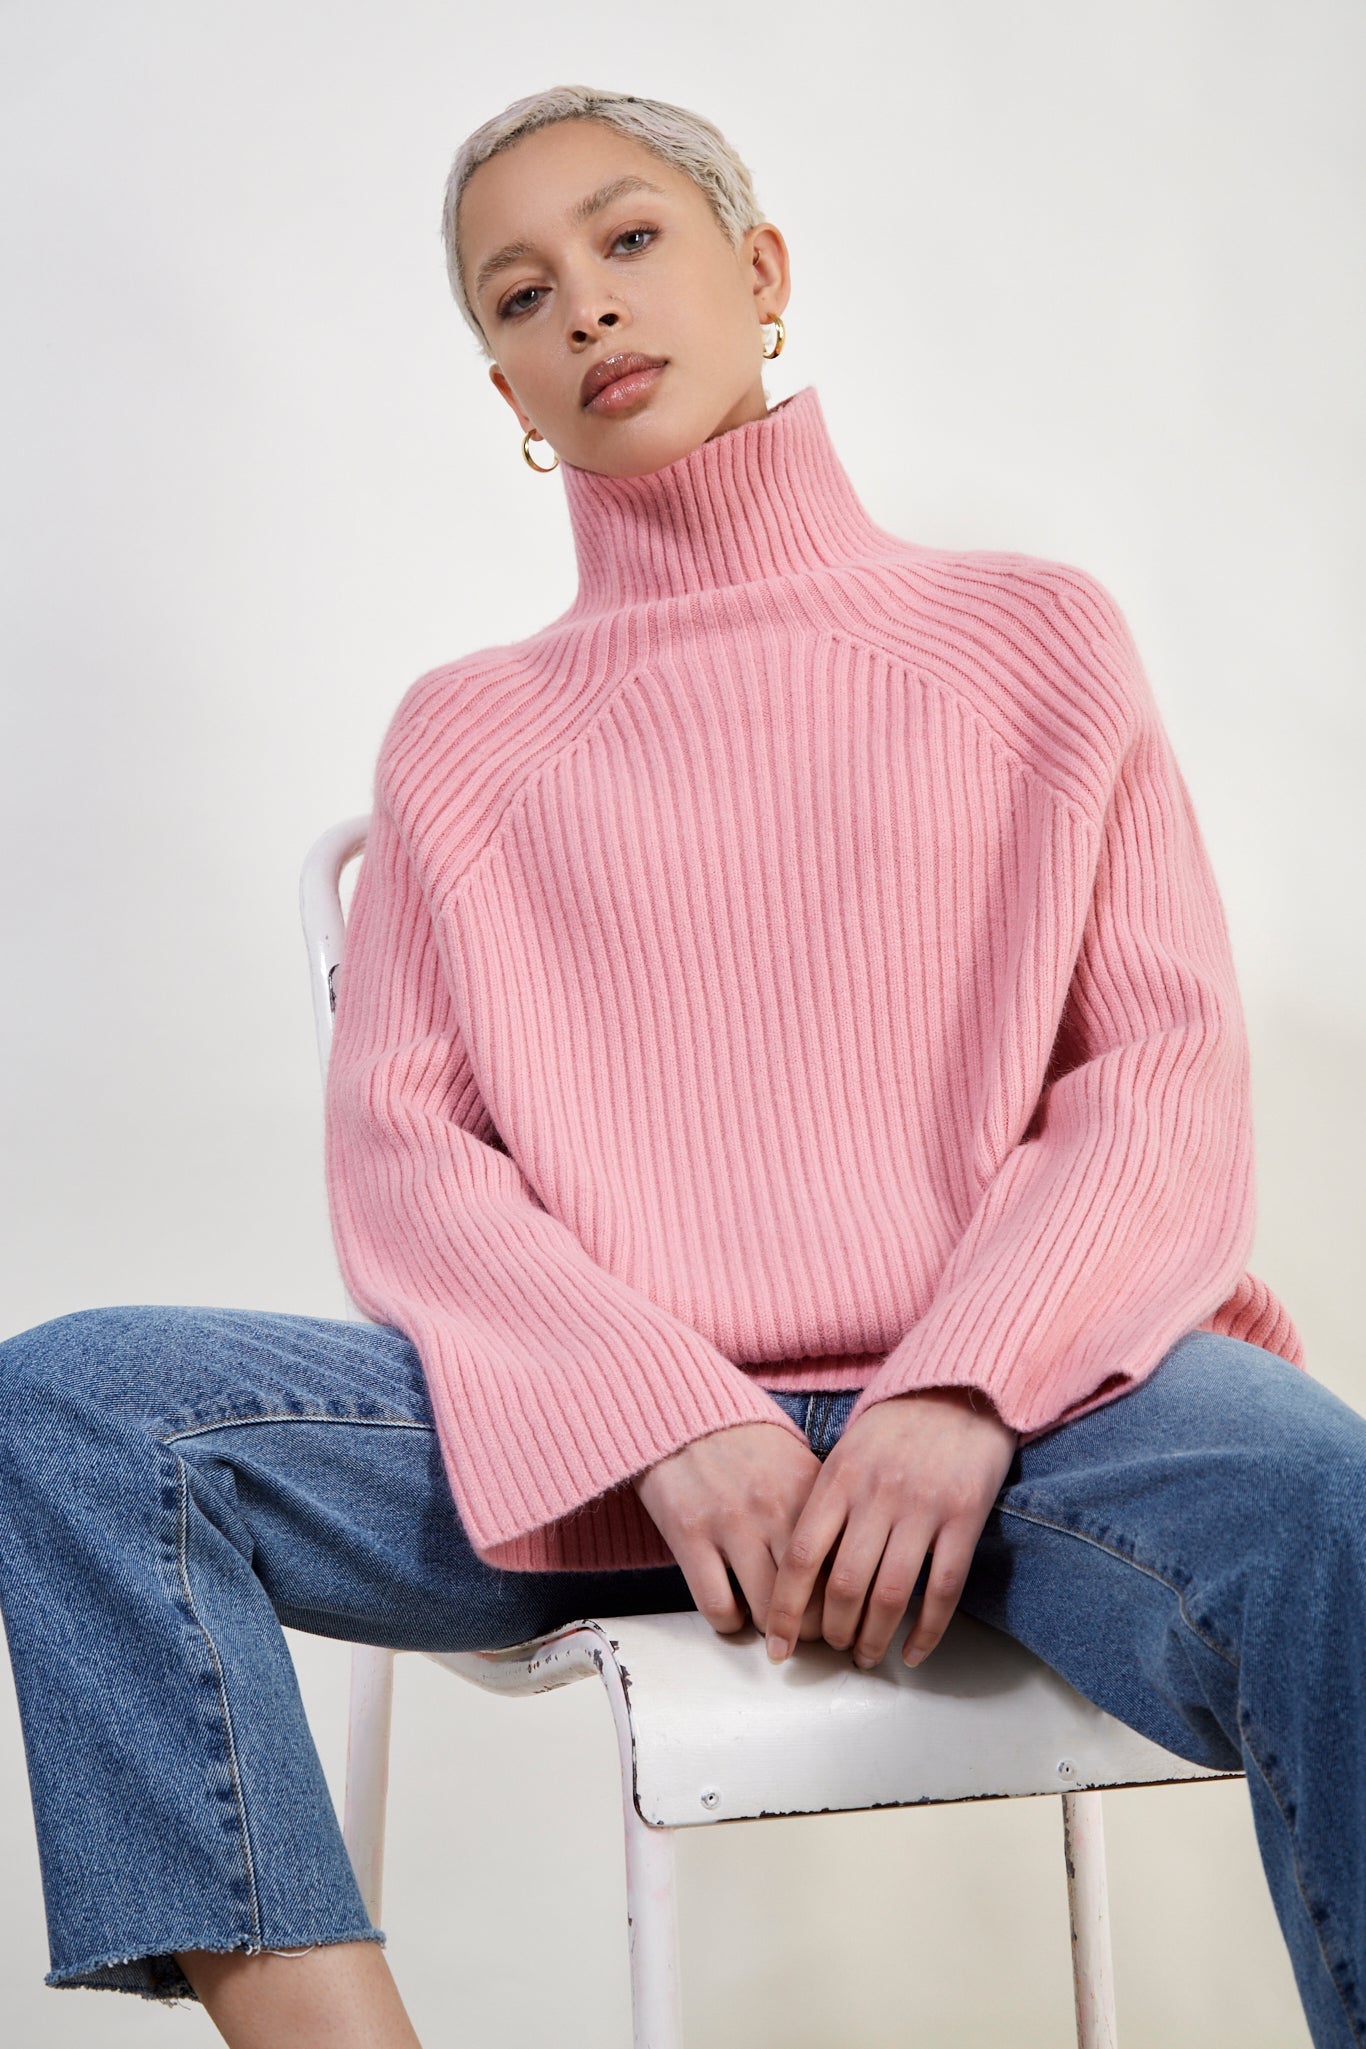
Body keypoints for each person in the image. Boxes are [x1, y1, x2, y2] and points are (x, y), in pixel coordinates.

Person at [0, 80, 1361, 2049]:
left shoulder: (1030, 639)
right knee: (79, 1406)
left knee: (1324, 1502)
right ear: (507, 392)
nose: (585, 305)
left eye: (629, 238)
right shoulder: (464, 738)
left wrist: (958, 1382)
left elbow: (1156, 1071)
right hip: (608, 1452)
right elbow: (409, 1157)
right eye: (519, 293)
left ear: (760, 270)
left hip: (1032, 1418)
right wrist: (660, 1406)